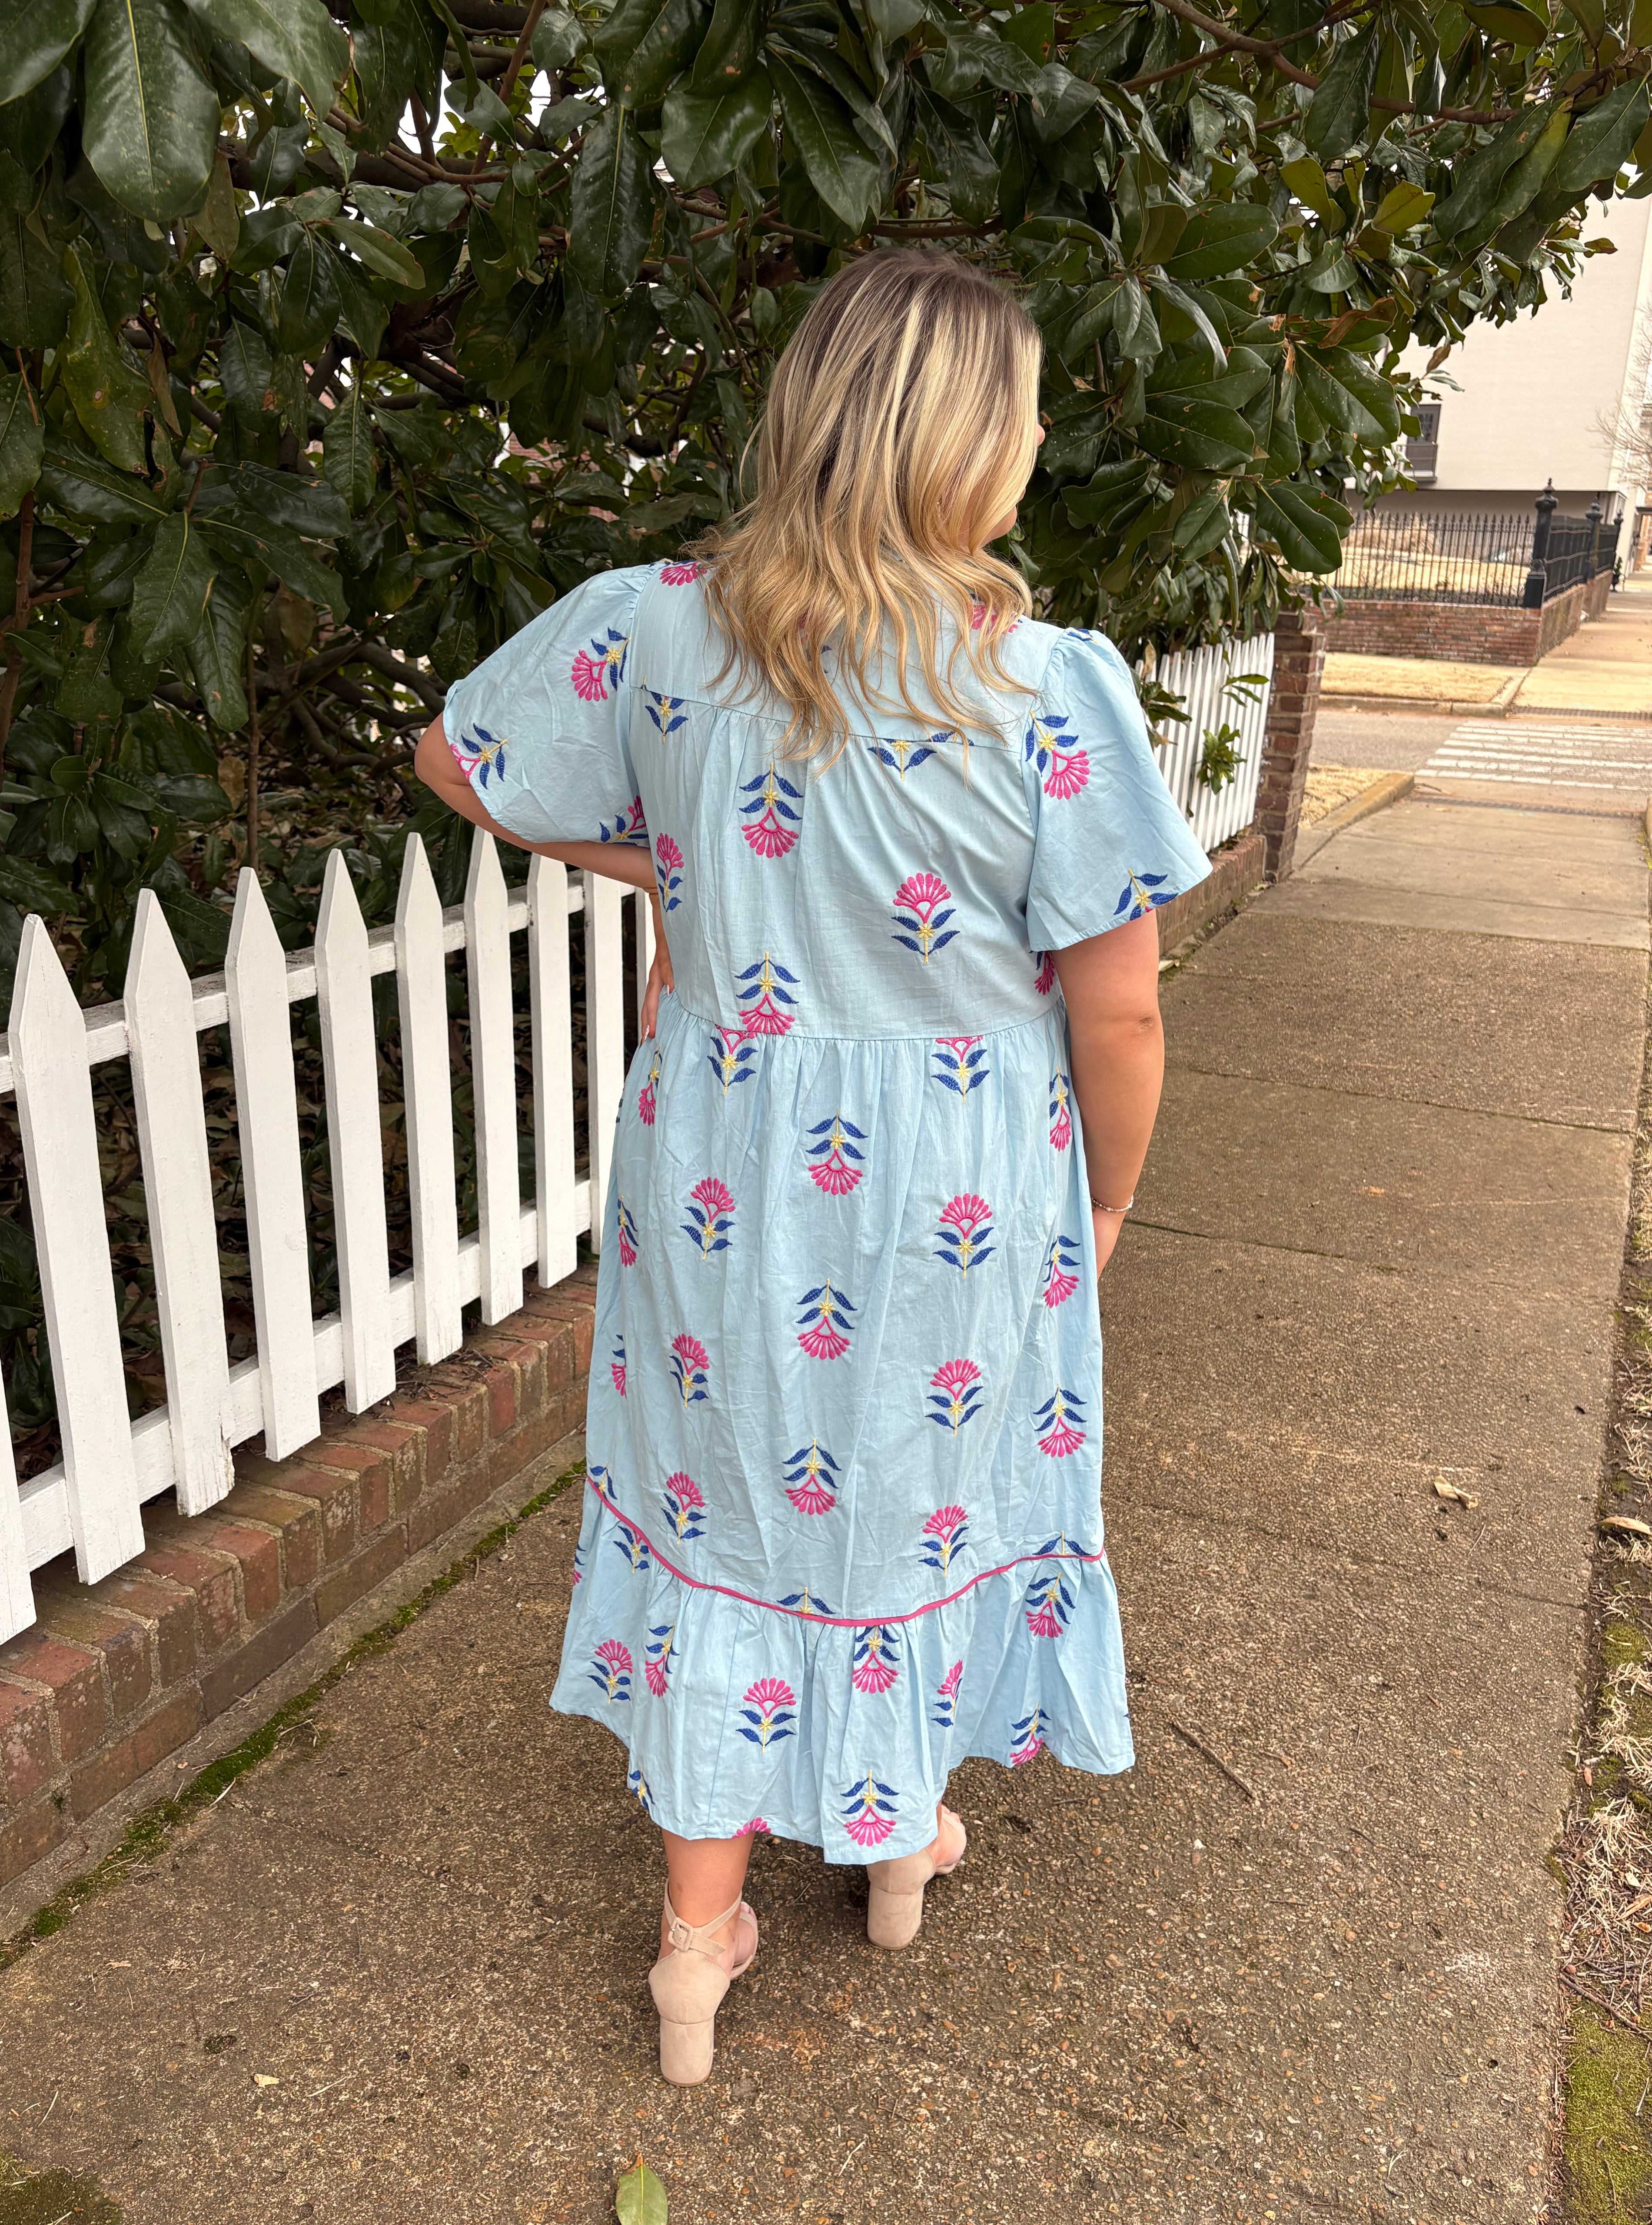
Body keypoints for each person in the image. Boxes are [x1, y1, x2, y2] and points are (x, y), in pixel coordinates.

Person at [413, 249, 1210, 2086]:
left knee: (726, 1505)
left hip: (720, 1157)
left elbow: (458, 760)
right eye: (1025, 418)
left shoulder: (656, 629)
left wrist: (672, 866)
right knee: (923, 1489)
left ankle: (697, 1940)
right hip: (957, 1184)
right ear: (972, 442)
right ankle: (894, 1839)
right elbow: (1122, 1006)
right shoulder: (1042, 687)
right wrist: (1105, 1196)